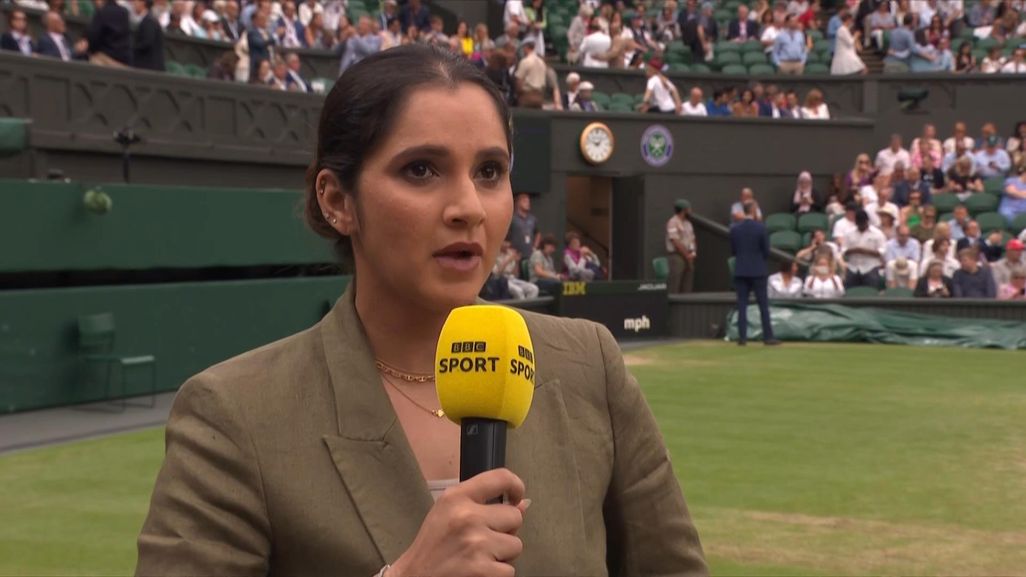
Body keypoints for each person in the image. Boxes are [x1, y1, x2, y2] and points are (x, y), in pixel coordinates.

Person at [136, 45, 708, 576]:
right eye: (421, 170)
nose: (468, 207)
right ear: (336, 200)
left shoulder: (588, 367)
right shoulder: (236, 415)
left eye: (489, 171)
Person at [731, 202, 780, 346]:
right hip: (758, 270)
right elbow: (766, 251)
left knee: (742, 305)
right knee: (763, 305)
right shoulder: (761, 228)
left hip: (741, 270)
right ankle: (768, 337)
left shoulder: (735, 229)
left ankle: (742, 338)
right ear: (753, 210)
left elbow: (733, 250)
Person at [843, 209, 886, 288]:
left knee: (871, 291)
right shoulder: (849, 233)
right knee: (850, 291)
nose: (861, 225)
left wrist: (865, 251)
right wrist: (854, 250)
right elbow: (843, 250)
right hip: (853, 267)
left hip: (870, 267)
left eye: (863, 223)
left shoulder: (877, 233)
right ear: (856, 222)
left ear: (867, 221)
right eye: (859, 223)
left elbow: (882, 251)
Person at [87, 0, 132, 66]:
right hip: (124, 60)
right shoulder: (124, 12)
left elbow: (93, 37)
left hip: (105, 57)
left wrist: (91, 51)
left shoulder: (102, 12)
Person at [666, 199, 697, 294]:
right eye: (689, 209)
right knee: (675, 285)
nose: (691, 211)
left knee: (687, 286)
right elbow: (675, 241)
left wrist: (692, 252)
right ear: (684, 210)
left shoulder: (688, 224)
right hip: (677, 256)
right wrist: (687, 255)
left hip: (688, 256)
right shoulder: (672, 222)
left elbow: (692, 239)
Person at [132, 0, 165, 72]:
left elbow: (146, 42)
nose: (133, 3)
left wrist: (132, 49)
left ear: (143, 3)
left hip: (150, 67)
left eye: (136, 1)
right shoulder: (148, 19)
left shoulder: (149, 20)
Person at [514, 38, 546, 109]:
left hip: (527, 96)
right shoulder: (542, 63)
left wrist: (518, 94)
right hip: (539, 97)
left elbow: (519, 82)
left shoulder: (525, 62)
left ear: (526, 47)